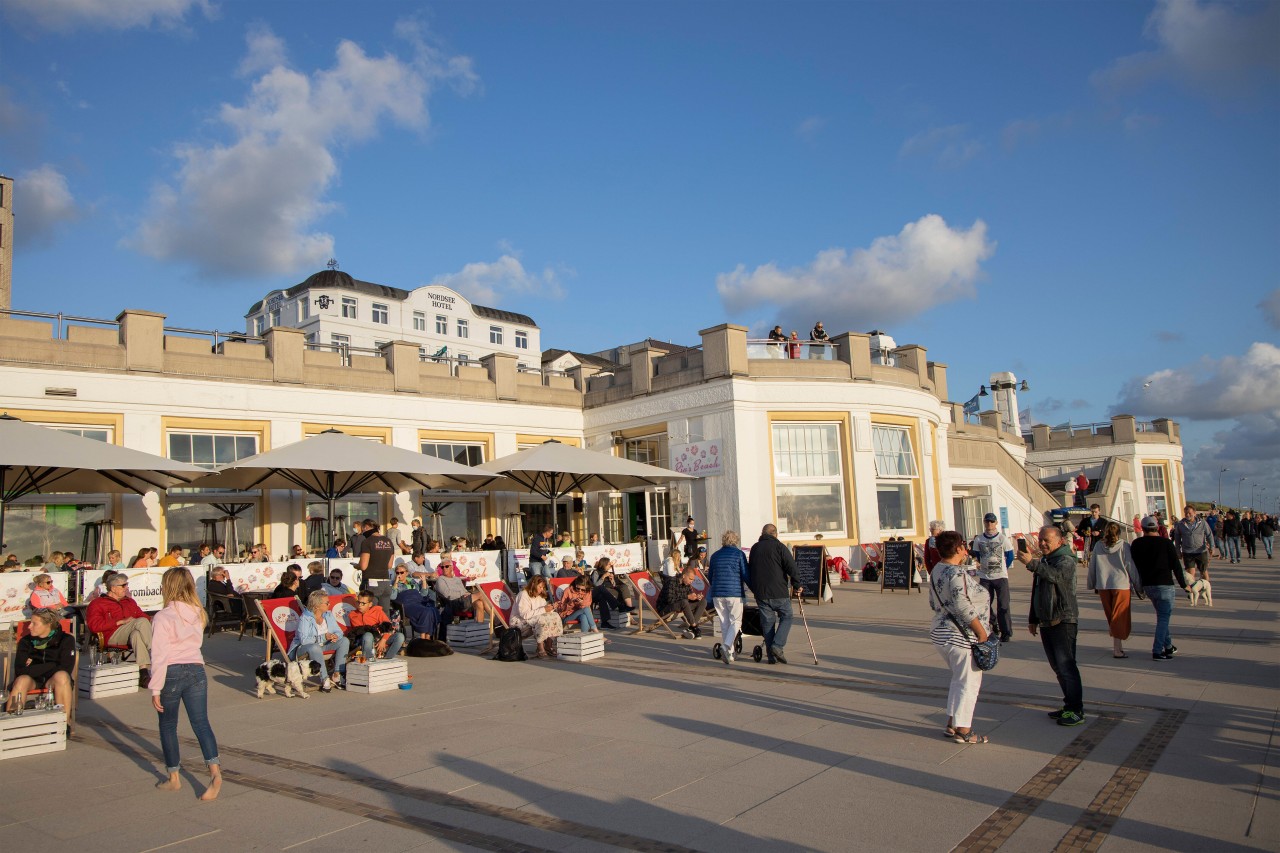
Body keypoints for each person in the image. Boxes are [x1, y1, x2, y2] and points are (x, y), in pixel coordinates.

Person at [149, 567, 222, 800]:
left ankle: (174, 777)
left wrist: (155, 687)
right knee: (201, 723)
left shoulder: (163, 616)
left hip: (171, 671)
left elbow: (159, 655)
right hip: (196, 668)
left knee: (168, 725)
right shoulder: (198, 612)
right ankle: (215, 772)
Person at [1016, 526, 1085, 726]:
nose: (1043, 543)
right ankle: (1069, 704)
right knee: (1058, 667)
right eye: (1041, 540)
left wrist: (1032, 563)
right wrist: (1032, 618)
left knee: (1067, 666)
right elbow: (1037, 590)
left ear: (1059, 541)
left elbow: (1056, 577)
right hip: (1047, 619)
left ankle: (1076, 709)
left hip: (1063, 619)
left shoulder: (1066, 560)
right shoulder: (1047, 560)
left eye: (1047, 540)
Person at [927, 530, 991, 744]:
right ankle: (964, 729)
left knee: (959, 679)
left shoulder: (937, 569)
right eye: (963, 546)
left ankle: (952, 723)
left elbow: (934, 602)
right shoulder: (956, 573)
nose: (966, 549)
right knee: (969, 682)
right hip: (960, 635)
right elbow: (962, 605)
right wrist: (981, 632)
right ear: (957, 549)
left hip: (942, 631)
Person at [5, 608, 75, 727]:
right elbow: (20, 670)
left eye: (34, 623)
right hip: (32, 681)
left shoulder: (66, 640)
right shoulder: (25, 642)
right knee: (21, 680)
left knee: (62, 676)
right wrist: (53, 665)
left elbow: (66, 668)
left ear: (48, 625)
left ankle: (64, 723)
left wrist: (34, 667)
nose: (29, 627)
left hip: (53, 681)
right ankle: (10, 724)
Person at [1131, 515, 1189, 661]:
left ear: (1143, 529)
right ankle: (1157, 650)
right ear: (1157, 527)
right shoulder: (1166, 543)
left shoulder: (1137, 544)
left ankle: (1168, 646)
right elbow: (1176, 566)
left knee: (1162, 616)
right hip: (1164, 584)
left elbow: (1133, 566)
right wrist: (1184, 585)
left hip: (1148, 584)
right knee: (1163, 618)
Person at [86, 571, 153, 687]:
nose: (126, 587)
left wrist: (156, 618)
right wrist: (118, 622)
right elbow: (94, 625)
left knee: (137, 634)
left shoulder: (129, 601)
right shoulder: (98, 603)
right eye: (123, 585)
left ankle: (143, 673)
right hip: (111, 635)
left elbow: (143, 616)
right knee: (141, 622)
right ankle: (154, 652)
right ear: (113, 588)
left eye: (127, 584)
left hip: (130, 633)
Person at [1087, 523, 1144, 659]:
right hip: (1120, 584)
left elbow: (1092, 565)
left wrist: (1091, 583)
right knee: (1119, 616)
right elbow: (1130, 566)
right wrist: (1138, 586)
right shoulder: (1123, 545)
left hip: (1103, 584)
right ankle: (1117, 649)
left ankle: (1117, 646)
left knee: (1111, 616)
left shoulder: (1098, 546)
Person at [748, 523, 801, 664]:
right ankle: (777, 646)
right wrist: (797, 584)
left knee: (768, 623)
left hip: (761, 592)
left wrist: (754, 588)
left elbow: (750, 569)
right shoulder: (779, 547)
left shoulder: (754, 548)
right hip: (779, 591)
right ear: (775, 534)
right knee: (787, 616)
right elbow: (792, 566)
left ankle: (771, 657)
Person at [290, 590, 349, 691]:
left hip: (324, 645)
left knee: (344, 641)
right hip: (305, 648)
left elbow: (339, 631)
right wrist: (324, 637)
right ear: (317, 605)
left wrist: (335, 636)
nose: (329, 604)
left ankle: (337, 674)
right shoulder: (305, 618)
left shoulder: (328, 615)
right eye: (327, 603)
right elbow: (304, 640)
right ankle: (324, 678)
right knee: (315, 647)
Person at [707, 530, 750, 665]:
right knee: (736, 621)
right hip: (734, 592)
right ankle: (726, 647)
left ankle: (730, 653)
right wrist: (755, 589)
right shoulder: (739, 554)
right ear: (735, 541)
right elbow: (745, 574)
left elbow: (710, 576)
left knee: (724, 622)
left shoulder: (715, 556)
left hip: (717, 593)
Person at [970, 513, 1014, 644]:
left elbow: (1010, 555)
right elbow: (977, 554)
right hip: (985, 577)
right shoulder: (979, 539)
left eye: (992, 522)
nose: (989, 524)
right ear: (984, 523)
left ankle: (1006, 632)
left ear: (996, 523)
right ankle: (992, 625)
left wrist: (1003, 567)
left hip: (1000, 577)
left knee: (1003, 605)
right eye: (987, 522)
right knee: (985, 604)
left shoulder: (1002, 538)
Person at [511, 575, 563, 659]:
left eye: (543, 587)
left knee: (555, 616)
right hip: (519, 622)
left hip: (532, 619)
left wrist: (552, 608)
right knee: (541, 619)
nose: (542, 589)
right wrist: (544, 609)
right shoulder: (523, 595)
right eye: (540, 587)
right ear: (533, 585)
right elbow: (525, 615)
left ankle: (549, 645)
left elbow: (544, 610)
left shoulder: (539, 596)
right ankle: (540, 646)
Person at [348, 591, 404, 660]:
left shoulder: (377, 612)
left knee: (400, 636)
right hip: (364, 640)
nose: (360, 605)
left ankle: (387, 659)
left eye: (363, 603)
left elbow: (388, 627)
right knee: (368, 635)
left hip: (379, 637)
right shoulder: (352, 615)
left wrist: (383, 640)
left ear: (370, 604)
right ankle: (369, 660)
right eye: (358, 602)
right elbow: (352, 632)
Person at [658, 565, 708, 639]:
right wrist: (687, 597)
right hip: (665, 608)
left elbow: (689, 597)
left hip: (681, 606)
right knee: (684, 602)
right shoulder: (671, 582)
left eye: (693, 580)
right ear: (684, 576)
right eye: (690, 579)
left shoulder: (687, 584)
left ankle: (690, 628)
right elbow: (669, 599)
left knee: (703, 601)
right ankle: (694, 627)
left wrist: (696, 598)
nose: (691, 581)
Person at [1172, 504, 1215, 582]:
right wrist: (1178, 551)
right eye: (1186, 513)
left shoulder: (1202, 522)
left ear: (1194, 513)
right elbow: (1177, 539)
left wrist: (1212, 546)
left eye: (1189, 513)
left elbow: (1209, 535)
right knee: (1190, 573)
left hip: (1201, 551)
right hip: (1187, 552)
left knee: (1204, 572)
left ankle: (1206, 592)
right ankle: (1192, 592)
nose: (1187, 515)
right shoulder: (1180, 524)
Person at [589, 557, 635, 628]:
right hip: (599, 591)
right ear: (604, 564)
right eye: (608, 564)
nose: (610, 566)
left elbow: (613, 585)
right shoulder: (596, 572)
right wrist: (603, 577)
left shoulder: (608, 572)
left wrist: (612, 580)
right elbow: (596, 585)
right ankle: (620, 606)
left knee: (605, 596)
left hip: (606, 592)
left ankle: (605, 622)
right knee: (602, 588)